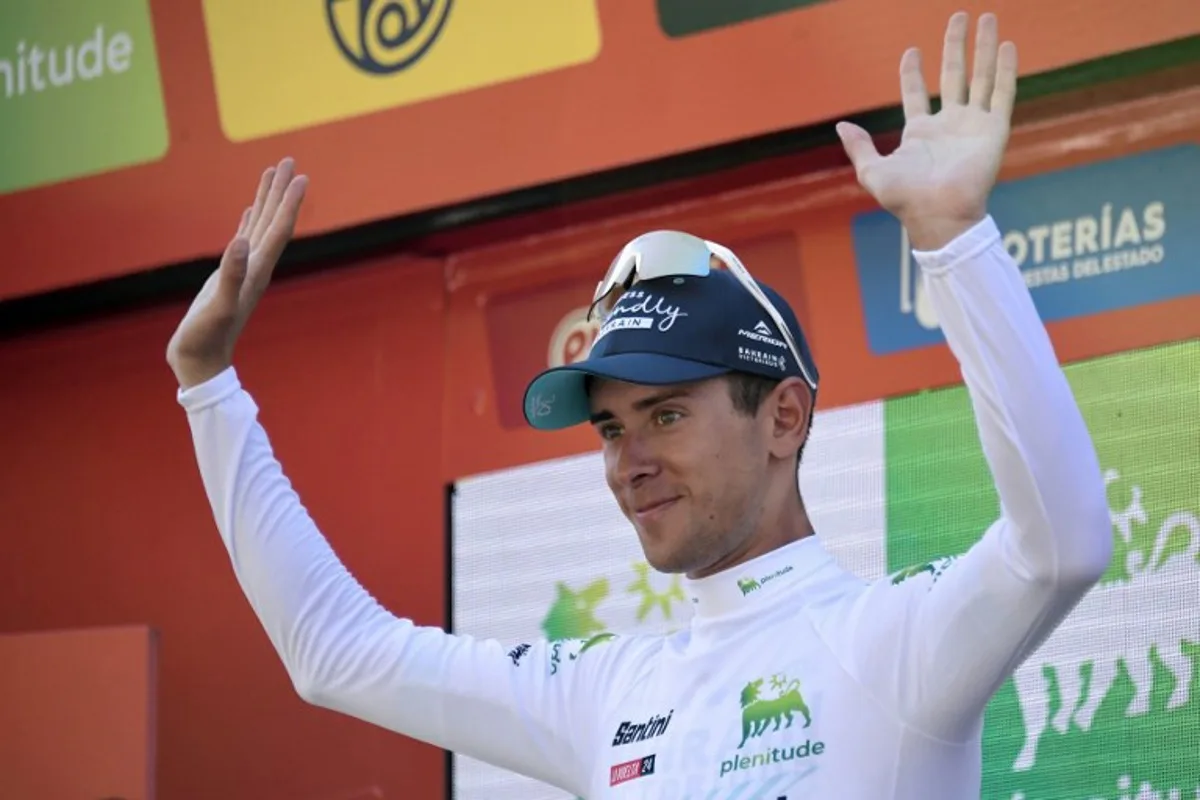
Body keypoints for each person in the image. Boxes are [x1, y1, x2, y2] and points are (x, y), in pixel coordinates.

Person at [167, 12, 1112, 798]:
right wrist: (207, 382)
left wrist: (951, 239)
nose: (628, 464)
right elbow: (333, 653)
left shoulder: (893, 645)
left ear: (784, 417)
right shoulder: (609, 694)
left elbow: (1061, 545)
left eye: (665, 415)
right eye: (612, 428)